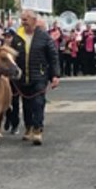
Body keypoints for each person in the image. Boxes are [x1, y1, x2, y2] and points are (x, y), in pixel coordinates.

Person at [8, 8, 60, 145]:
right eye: (22, 19)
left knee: (38, 102)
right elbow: (11, 57)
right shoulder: (17, 38)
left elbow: (53, 57)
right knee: (26, 104)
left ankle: (37, 129)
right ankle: (28, 127)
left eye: (25, 19)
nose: (23, 22)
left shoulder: (44, 37)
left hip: (40, 76)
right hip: (22, 77)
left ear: (34, 21)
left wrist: (55, 75)